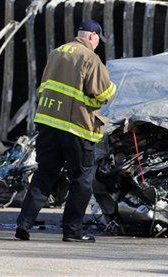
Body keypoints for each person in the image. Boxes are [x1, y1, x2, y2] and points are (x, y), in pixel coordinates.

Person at [15, 20, 116, 242]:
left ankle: (24, 224)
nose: (99, 44)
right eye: (99, 39)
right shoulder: (90, 58)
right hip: (76, 128)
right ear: (92, 36)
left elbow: (44, 87)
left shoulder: (56, 52)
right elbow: (104, 94)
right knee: (81, 180)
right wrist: (113, 87)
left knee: (44, 175)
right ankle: (72, 231)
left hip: (49, 125)